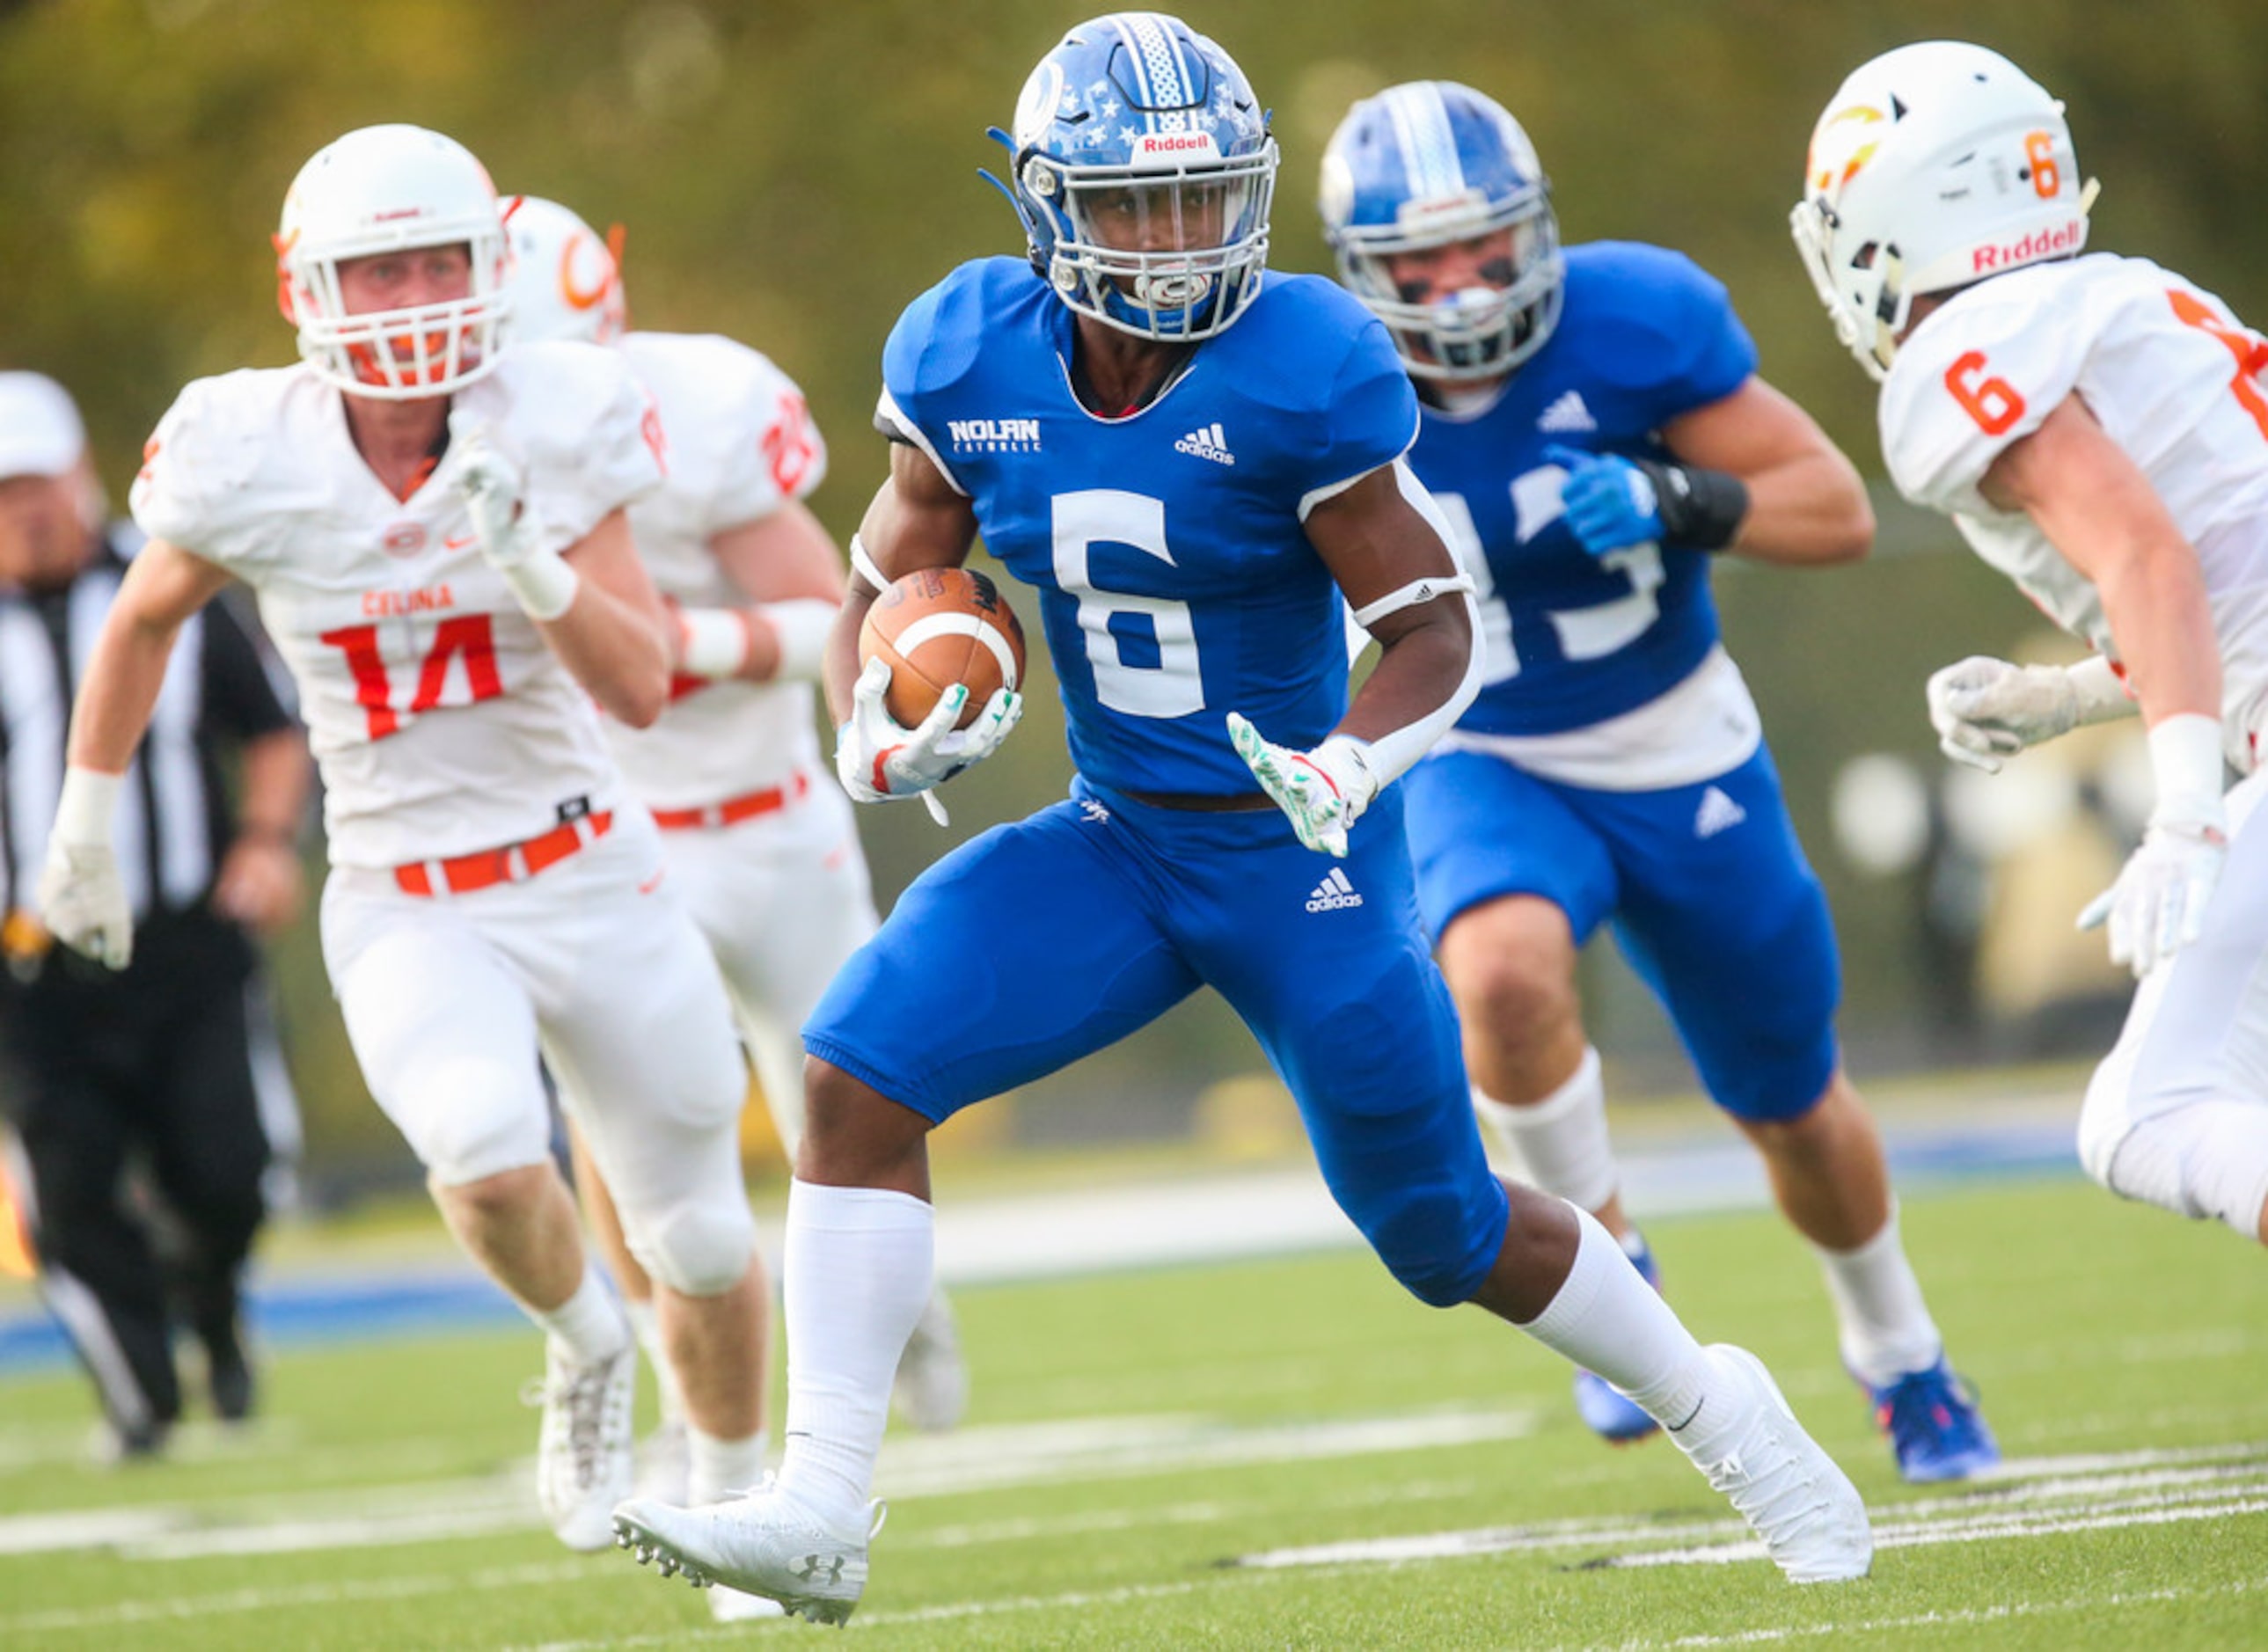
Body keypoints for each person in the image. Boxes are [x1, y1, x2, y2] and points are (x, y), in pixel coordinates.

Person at [611, 14, 1870, 1624]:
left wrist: (1347, 763)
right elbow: (891, 563)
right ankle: (819, 1507)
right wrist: (880, 702)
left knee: (1440, 1231)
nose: (1173, 238)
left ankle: (1721, 1409)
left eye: (1203, 199)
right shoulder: (963, 350)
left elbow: (1428, 629)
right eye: (1134, 206)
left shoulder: (1304, 364)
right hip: (1119, 838)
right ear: (1049, 207)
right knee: (854, 1069)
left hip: (1303, 852)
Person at [37, 124, 771, 1550]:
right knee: (490, 1159)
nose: (417, 295)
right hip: (407, 890)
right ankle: (582, 1342)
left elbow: (639, 679)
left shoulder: (558, 409)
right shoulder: (251, 445)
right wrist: (85, 817)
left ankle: (740, 1497)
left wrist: (531, 562)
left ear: (493, 265)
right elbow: (140, 617)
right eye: (380, 271)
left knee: (700, 1233)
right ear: (311, 289)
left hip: (589, 864)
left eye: (441, 260)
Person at [1316, 81, 1997, 1482]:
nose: (1457, 286)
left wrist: (1686, 499)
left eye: (1483, 246)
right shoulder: (1321, 376)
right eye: (1418, 263)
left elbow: (1834, 508)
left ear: (1537, 233)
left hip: (1676, 737)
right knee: (1494, 973)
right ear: (1358, 274)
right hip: (1476, 740)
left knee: (1791, 1098)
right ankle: (1604, 1250)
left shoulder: (1634, 320)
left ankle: (1901, 1353)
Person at [501, 198, 969, 1476]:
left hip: (769, 830)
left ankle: (906, 1304)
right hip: (614, 836)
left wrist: (667, 647)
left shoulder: (694, 411)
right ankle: (678, 1391)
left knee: (854, 1100)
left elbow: (830, 610)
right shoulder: (434, 451)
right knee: (617, 1119)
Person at [1792, 40, 2268, 1247]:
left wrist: (2182, 817)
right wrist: (2065, 698)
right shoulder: (2129, 296)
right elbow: (2220, 585)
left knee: (2147, 1117)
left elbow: (2147, 558)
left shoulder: (1955, 362)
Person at [0, 370, 309, 1458]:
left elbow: (271, 725)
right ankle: (141, 1394)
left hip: (182, 936)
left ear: (84, 475)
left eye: (41, 482)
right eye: (4, 491)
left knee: (227, 1168)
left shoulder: (165, 582)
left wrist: (267, 846)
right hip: (27, 963)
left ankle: (214, 1313)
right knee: (71, 1186)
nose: (28, 508)